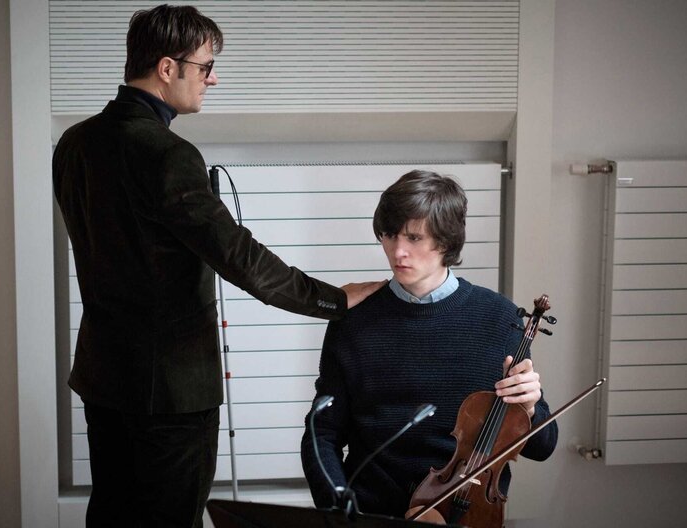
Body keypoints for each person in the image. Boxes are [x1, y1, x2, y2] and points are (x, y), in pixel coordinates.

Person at [52, 5, 384, 527]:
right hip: (172, 395)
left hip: (104, 379)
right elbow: (241, 258)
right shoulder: (168, 154)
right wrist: (334, 300)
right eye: (205, 67)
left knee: (112, 517)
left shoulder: (74, 144)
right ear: (167, 68)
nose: (213, 78)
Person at [301, 170, 558, 520]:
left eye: (414, 237)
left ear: (446, 241)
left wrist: (529, 407)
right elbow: (322, 432)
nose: (398, 251)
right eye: (389, 235)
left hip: (466, 514)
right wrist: (339, 507)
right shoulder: (354, 320)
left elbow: (543, 447)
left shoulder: (501, 319)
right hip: (370, 514)